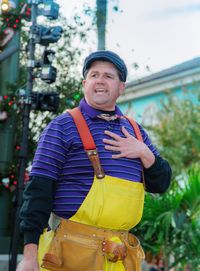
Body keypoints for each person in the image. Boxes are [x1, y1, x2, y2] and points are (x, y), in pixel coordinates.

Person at [17, 50, 172, 271]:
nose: (100, 80)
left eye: (108, 76)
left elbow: (161, 183)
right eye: (94, 75)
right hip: (70, 253)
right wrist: (30, 256)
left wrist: (144, 152)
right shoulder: (62, 126)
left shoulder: (137, 132)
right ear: (84, 83)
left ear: (121, 87)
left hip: (119, 257)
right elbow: (38, 192)